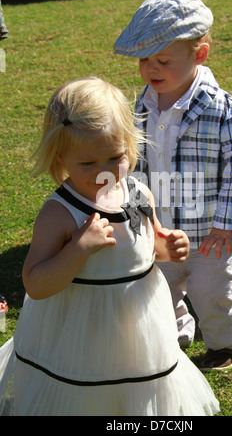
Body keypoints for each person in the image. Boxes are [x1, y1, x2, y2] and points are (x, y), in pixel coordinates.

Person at [0, 77, 219, 416]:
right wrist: (78, 250)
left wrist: (169, 245)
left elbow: (147, 246)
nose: (105, 172)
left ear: (130, 146)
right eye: (88, 163)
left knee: (137, 396)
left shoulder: (138, 192)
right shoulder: (60, 213)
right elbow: (36, 283)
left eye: (116, 157)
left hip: (138, 331)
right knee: (87, 397)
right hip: (81, 335)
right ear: (61, 156)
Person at [114, 0, 232, 371]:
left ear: (200, 54)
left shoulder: (224, 109)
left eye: (163, 59)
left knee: (213, 290)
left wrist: (226, 225)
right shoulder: (137, 107)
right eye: (144, 60)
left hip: (210, 232)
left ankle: (224, 344)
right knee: (157, 288)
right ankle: (174, 334)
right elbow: (130, 163)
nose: (151, 69)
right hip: (159, 229)